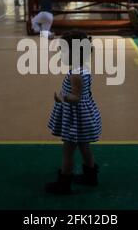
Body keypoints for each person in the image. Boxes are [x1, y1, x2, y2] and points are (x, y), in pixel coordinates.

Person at [46, 31, 102, 195]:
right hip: (82, 114)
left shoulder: (75, 74)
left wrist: (62, 97)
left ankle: (64, 182)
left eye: (63, 50)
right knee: (84, 147)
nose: (59, 53)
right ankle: (91, 177)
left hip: (75, 118)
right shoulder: (83, 69)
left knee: (68, 150)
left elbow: (76, 98)